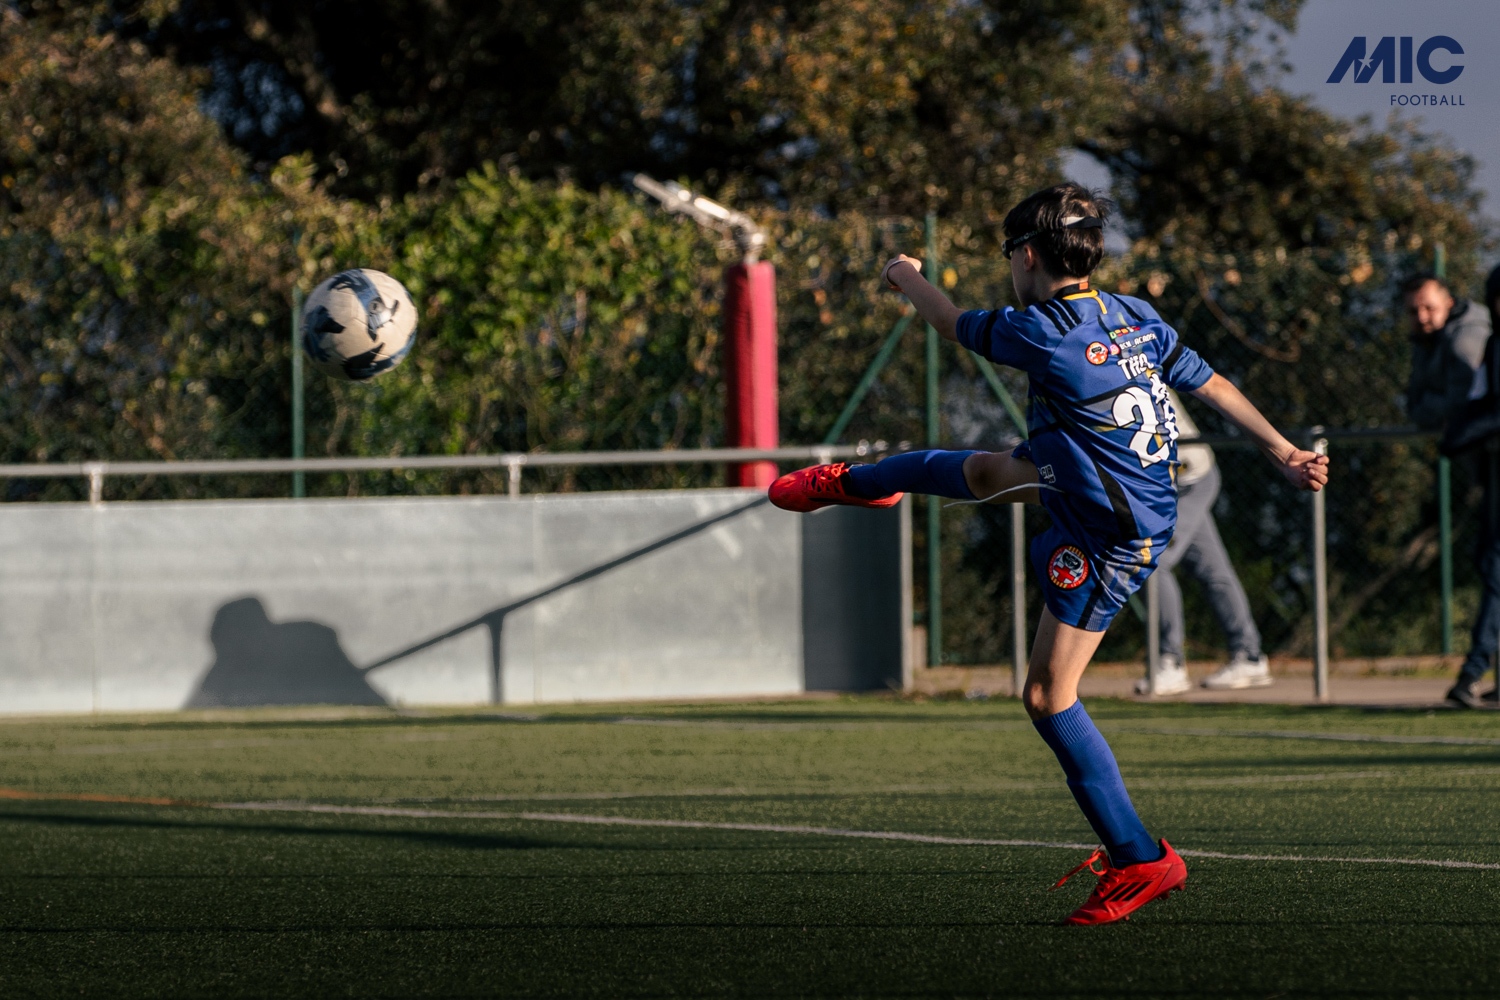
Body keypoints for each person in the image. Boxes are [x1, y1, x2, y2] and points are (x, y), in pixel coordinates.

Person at [768, 183, 1328, 925]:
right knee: (984, 474)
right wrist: (1284, 450)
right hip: (1105, 482)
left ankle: (1140, 859)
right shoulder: (1134, 314)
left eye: (1008, 254)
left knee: (1047, 696)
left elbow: (949, 322)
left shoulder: (1042, 331)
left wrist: (903, 274)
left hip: (1110, 531)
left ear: (1027, 255)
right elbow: (1214, 383)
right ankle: (860, 483)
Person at [1134, 389, 1269, 696]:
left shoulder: (1129, 367)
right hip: (1172, 485)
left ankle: (1171, 661)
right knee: (1214, 571)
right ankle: (1250, 655)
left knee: (1152, 561)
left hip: (1190, 480)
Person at [1411, 269, 1500, 707]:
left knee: (1495, 567)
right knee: (1490, 562)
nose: (1421, 317)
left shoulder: (1473, 342)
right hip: (1493, 470)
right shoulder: (1493, 345)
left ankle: (1472, 673)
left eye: (1429, 307)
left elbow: (1484, 407)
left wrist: (1459, 435)